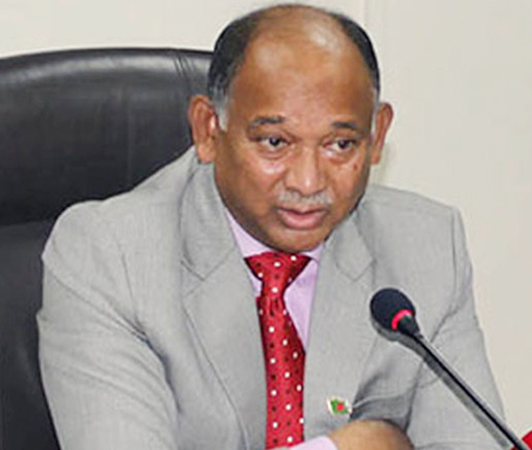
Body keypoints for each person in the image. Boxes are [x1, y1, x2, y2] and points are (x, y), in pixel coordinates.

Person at [38, 4, 504, 450]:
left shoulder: (426, 248)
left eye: (340, 145)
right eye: (275, 142)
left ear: (377, 134)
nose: (308, 181)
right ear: (208, 129)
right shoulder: (111, 256)